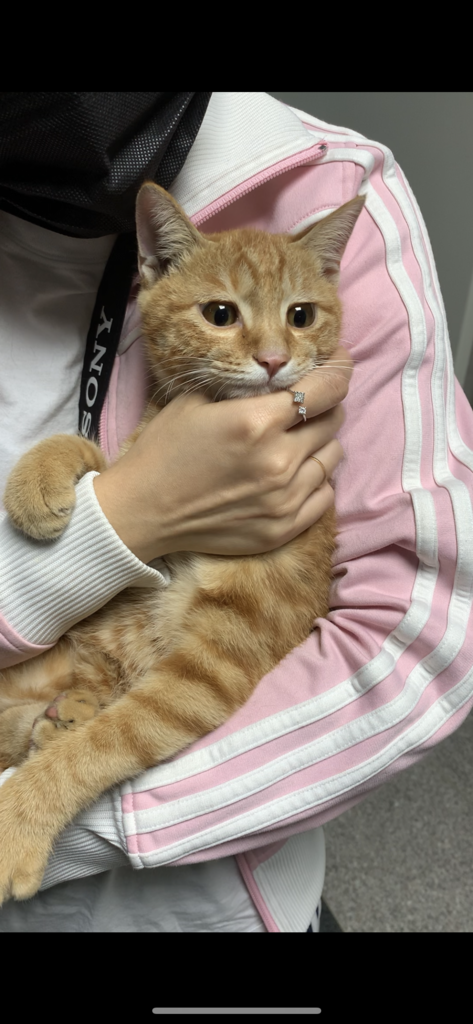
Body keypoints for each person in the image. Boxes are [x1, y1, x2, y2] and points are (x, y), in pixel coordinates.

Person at [0, 92, 472, 933]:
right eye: (224, 316)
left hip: (214, 897)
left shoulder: (336, 185)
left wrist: (53, 805)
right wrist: (120, 505)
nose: (273, 355)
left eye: (301, 317)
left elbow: (415, 637)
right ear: (157, 271)